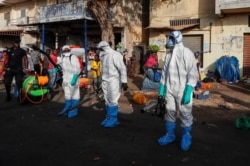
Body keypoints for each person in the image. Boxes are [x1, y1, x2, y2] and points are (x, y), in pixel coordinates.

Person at [157, 30, 198, 151]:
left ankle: (186, 136)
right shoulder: (169, 55)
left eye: (172, 38)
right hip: (169, 89)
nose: (169, 41)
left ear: (178, 39)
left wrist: (189, 89)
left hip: (183, 89)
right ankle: (170, 135)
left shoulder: (187, 53)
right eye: (169, 38)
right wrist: (161, 89)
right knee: (169, 112)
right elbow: (164, 73)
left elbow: (192, 73)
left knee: (185, 113)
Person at [97, 41, 128, 128]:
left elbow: (122, 68)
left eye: (100, 49)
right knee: (107, 100)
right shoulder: (103, 55)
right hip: (105, 81)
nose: (99, 51)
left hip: (114, 81)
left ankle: (113, 119)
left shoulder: (115, 54)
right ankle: (109, 117)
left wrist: (124, 81)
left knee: (113, 100)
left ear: (104, 48)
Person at [57, 45, 81, 118]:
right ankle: (67, 109)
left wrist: (74, 78)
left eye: (67, 49)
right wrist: (57, 68)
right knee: (67, 96)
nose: (66, 50)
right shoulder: (62, 57)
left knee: (75, 96)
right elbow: (61, 66)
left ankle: (73, 111)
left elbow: (77, 68)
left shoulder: (73, 57)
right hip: (66, 80)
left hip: (73, 80)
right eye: (65, 49)